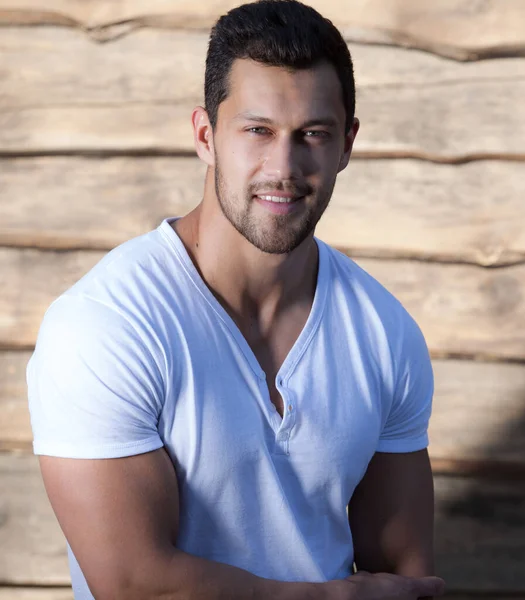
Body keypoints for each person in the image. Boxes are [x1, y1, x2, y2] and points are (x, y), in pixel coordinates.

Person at [27, 1, 445, 598]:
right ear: (206, 135)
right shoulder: (104, 325)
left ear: (347, 144)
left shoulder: (384, 332)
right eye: (258, 131)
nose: (284, 166)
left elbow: (406, 578)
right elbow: (134, 585)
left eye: (313, 135)